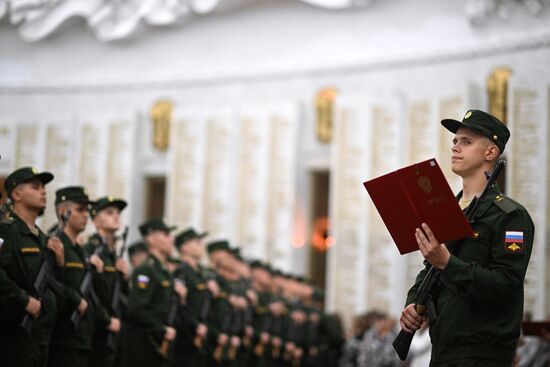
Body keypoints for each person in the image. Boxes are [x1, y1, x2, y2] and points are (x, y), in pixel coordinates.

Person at [400, 109, 535, 366]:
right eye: (455, 141)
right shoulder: (447, 212)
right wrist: (413, 303)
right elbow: (430, 270)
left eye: (466, 141)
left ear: (490, 153)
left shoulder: (510, 216)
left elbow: (506, 285)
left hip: (482, 353)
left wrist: (448, 263)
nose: (455, 147)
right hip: (442, 349)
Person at [0, 167, 64, 367]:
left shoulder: (43, 237)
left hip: (41, 335)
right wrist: (23, 300)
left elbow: (51, 284)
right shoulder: (6, 231)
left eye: (44, 188)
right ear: (16, 195)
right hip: (15, 335)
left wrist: (60, 263)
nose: (43, 191)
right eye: (35, 187)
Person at [48, 186, 107, 367]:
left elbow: (95, 295)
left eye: (87, 210)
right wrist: (75, 299)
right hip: (61, 337)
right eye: (80, 210)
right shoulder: (55, 244)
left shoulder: (81, 252)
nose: (86, 215)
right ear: (63, 212)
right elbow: (50, 283)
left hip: (83, 337)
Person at [124, 218, 186, 367]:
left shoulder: (163, 270)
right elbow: (136, 309)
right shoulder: (146, 270)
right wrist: (161, 329)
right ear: (151, 239)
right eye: (166, 234)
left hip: (160, 343)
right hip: (146, 344)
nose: (171, 238)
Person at [84, 196, 130, 367]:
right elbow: (89, 294)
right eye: (110, 213)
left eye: (118, 213)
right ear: (96, 221)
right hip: (97, 331)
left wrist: (125, 279)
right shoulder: (91, 250)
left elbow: (122, 298)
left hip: (115, 330)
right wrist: (106, 320)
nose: (116, 216)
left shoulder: (114, 255)